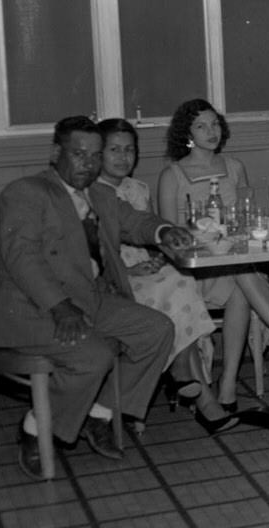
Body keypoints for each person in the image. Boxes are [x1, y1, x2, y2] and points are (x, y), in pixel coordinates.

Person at [0, 116, 182, 479]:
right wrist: (60, 308)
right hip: (34, 309)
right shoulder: (26, 193)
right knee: (95, 355)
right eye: (79, 155)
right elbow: (22, 259)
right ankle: (34, 429)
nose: (89, 164)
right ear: (55, 153)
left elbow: (134, 221)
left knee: (156, 330)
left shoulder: (100, 194)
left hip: (89, 301)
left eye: (95, 156)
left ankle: (99, 414)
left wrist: (164, 231)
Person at [97, 118, 238, 434]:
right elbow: (96, 256)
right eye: (114, 150)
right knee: (173, 289)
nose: (123, 157)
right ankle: (201, 396)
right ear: (98, 154)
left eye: (129, 150)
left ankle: (183, 370)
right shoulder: (91, 194)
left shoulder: (137, 189)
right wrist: (130, 269)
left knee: (178, 280)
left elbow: (148, 235)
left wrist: (160, 258)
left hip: (146, 273)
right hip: (115, 281)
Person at [157, 99, 269, 412]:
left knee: (241, 282)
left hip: (232, 261)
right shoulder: (173, 175)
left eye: (215, 124)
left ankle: (228, 381)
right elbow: (169, 234)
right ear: (187, 133)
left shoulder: (235, 167)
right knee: (243, 277)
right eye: (201, 126)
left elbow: (247, 220)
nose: (211, 131)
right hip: (194, 270)